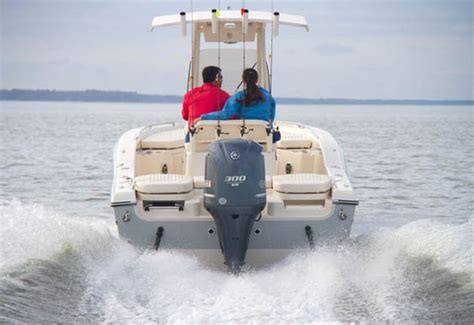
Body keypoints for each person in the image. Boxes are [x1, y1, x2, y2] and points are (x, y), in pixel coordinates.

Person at [199, 68, 275, 124]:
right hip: (263, 135)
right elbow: (271, 118)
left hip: (244, 135)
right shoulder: (269, 98)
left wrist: (203, 117)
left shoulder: (238, 97)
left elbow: (225, 114)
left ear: (244, 80)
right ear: (257, 80)